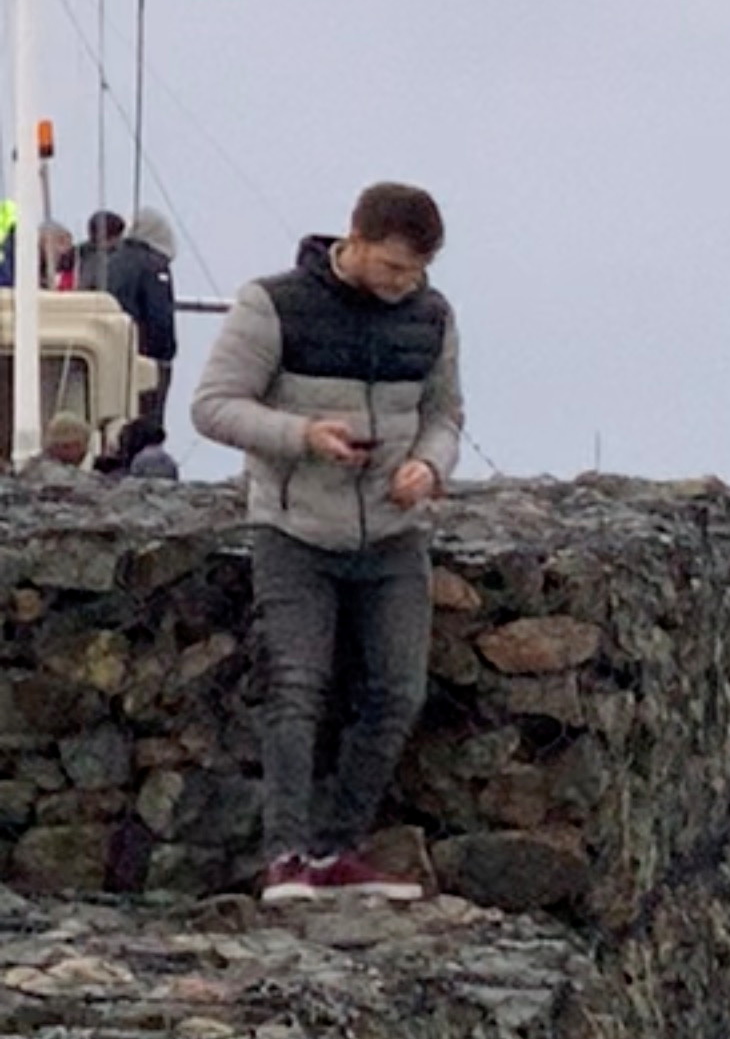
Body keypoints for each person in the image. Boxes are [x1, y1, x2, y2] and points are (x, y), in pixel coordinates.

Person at [187, 183, 459, 904]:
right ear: (356, 239)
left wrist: (428, 467)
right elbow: (212, 406)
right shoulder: (272, 304)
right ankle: (285, 858)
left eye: (416, 271)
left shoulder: (430, 316)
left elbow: (445, 413)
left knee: (397, 693)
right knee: (296, 688)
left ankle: (337, 849)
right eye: (394, 267)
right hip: (294, 529)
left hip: (394, 533)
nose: (405, 284)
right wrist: (303, 438)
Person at [84, 208, 171, 448]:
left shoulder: (107, 260)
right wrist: (165, 354)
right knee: (145, 421)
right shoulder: (153, 265)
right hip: (143, 355)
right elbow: (159, 317)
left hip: (109, 350)